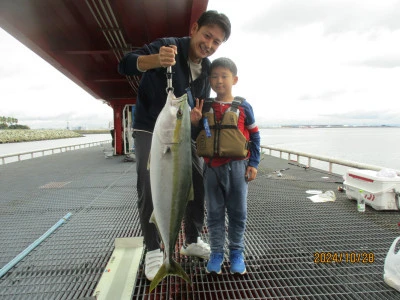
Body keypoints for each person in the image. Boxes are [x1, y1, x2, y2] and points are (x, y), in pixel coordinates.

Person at [117, 10, 231, 281]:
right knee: (148, 182)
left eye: (217, 42)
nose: (210, 45)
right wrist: (154, 60)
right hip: (149, 128)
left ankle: (191, 239)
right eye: (207, 36)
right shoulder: (168, 45)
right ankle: (155, 248)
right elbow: (125, 64)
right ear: (194, 28)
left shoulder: (205, 69)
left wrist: (195, 119)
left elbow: (197, 108)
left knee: (198, 177)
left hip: (179, 133)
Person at [191, 57, 261, 275]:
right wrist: (194, 122)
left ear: (234, 79)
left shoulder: (244, 106)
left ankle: (237, 253)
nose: (219, 81)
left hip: (238, 168)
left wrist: (254, 163)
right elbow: (198, 137)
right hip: (211, 168)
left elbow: (255, 136)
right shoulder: (205, 105)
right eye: (214, 76)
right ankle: (216, 254)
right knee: (214, 213)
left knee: (238, 212)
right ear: (209, 80)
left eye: (224, 76)